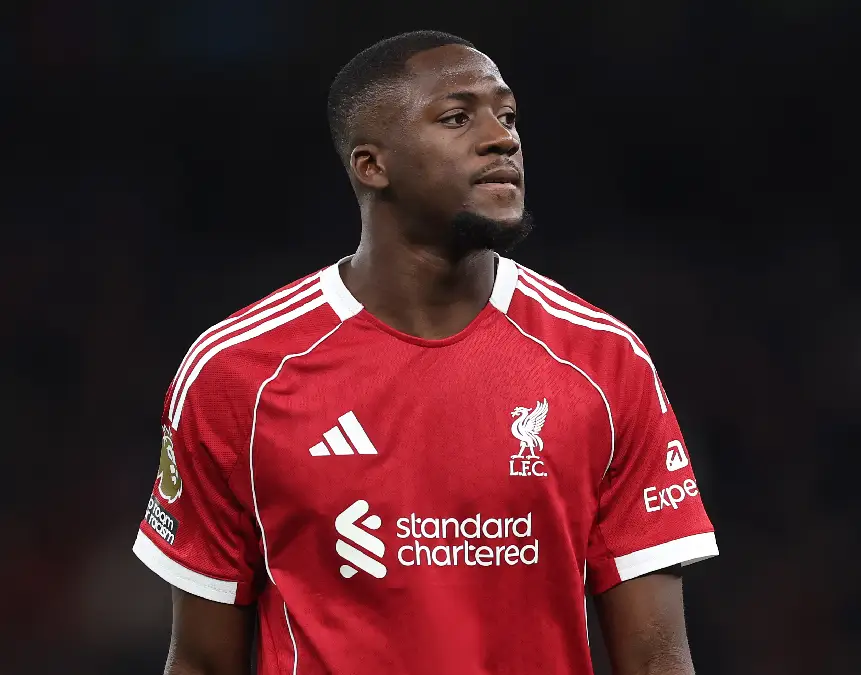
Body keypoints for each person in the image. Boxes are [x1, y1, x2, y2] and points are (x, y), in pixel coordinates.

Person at [133, 30, 718, 674]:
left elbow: (657, 660)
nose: (503, 138)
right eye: (457, 117)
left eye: (509, 115)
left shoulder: (603, 363)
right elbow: (201, 662)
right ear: (371, 165)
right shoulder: (236, 373)